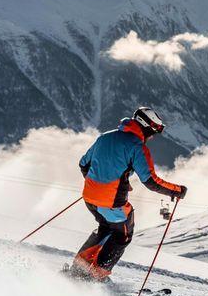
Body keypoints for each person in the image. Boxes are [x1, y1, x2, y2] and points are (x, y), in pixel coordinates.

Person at [69, 107, 186, 281]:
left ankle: (78, 270)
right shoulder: (137, 147)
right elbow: (151, 181)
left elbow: (84, 164)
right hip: (111, 203)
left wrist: (100, 183)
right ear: (147, 127)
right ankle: (96, 277)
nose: (152, 137)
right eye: (153, 132)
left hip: (90, 197)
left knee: (106, 228)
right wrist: (177, 190)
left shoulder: (105, 137)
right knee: (122, 235)